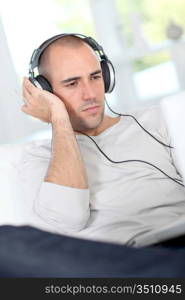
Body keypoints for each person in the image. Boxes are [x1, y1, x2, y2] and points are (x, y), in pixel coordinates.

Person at [19, 33, 185, 248]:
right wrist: (58, 117)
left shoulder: (156, 120)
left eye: (96, 77)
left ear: (107, 77)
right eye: (72, 83)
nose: (90, 94)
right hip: (131, 260)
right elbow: (69, 219)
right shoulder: (38, 158)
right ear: (45, 91)